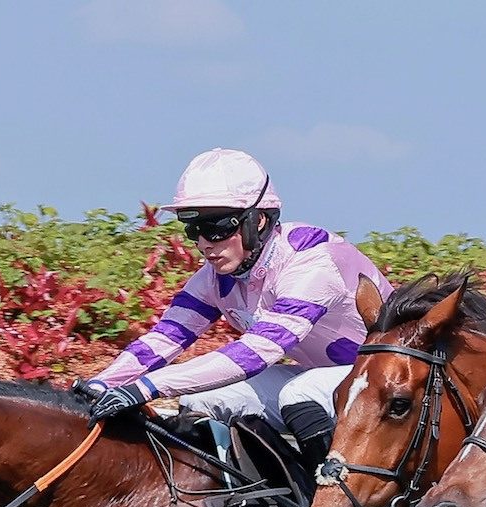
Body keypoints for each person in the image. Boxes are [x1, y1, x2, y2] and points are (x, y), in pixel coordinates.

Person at [76, 148, 389, 476]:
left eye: (216, 227)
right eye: (192, 229)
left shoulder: (312, 262)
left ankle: (336, 504)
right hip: (336, 378)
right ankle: (258, 501)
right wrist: (101, 383)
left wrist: (147, 387)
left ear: (259, 220)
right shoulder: (214, 277)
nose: (204, 243)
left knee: (301, 393)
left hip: (390, 382)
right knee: (203, 400)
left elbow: (255, 353)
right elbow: (165, 338)